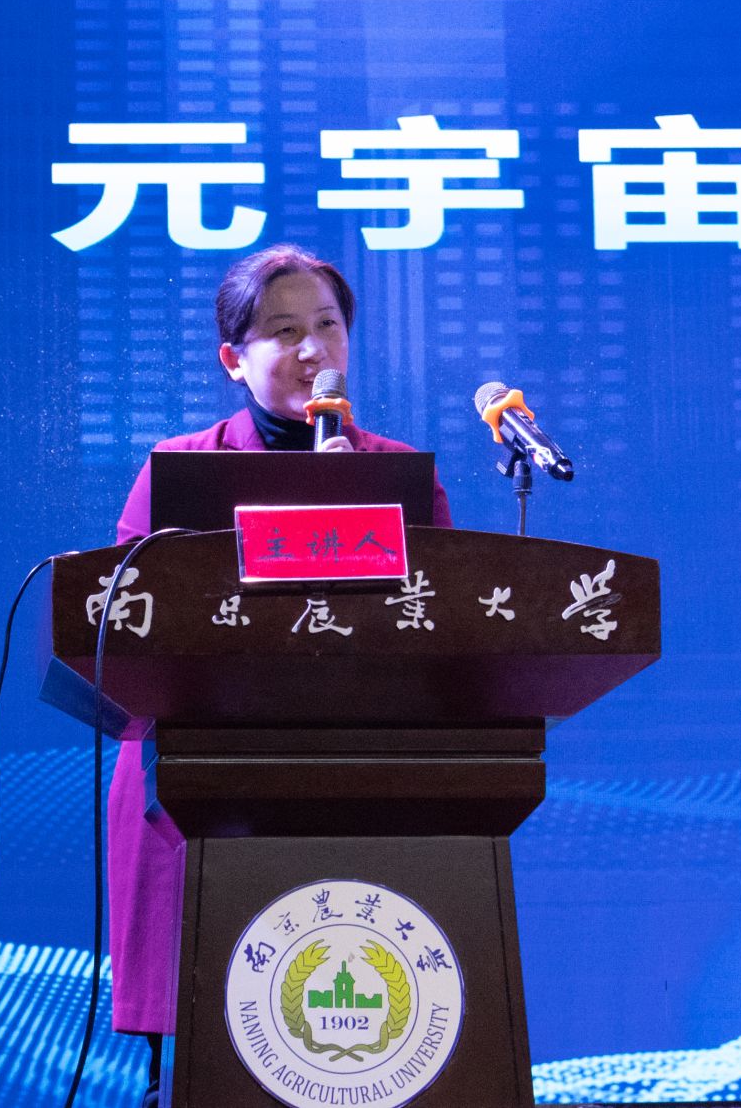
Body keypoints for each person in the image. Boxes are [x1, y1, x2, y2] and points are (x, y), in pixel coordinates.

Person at [107, 244, 451, 1105]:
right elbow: (128, 619)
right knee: (202, 1058)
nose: (313, 350)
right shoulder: (178, 470)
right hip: (196, 786)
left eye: (328, 327)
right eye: (285, 331)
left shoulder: (398, 473)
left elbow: (447, 617)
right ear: (234, 358)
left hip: (362, 775)